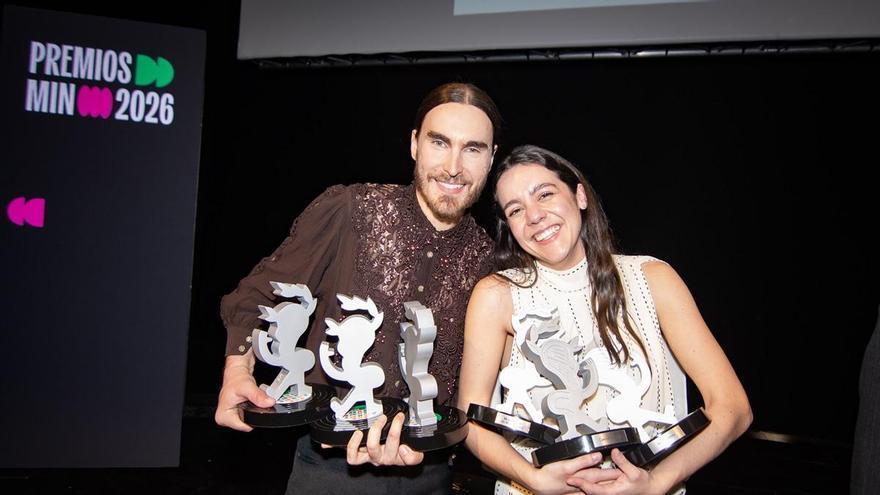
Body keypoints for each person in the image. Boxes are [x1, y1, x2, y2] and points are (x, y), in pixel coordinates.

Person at [215, 82, 500, 494]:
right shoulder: (351, 210)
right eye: (440, 143)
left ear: (491, 159)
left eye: (472, 149)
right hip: (329, 472)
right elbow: (258, 295)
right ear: (415, 144)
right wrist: (237, 370)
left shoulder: (491, 262)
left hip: (429, 473)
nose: (454, 166)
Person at [458, 145, 752, 495]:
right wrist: (531, 477)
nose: (534, 216)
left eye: (546, 194)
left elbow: (733, 409)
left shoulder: (652, 279)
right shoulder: (497, 296)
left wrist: (657, 482)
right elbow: (470, 421)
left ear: (579, 194)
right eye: (516, 209)